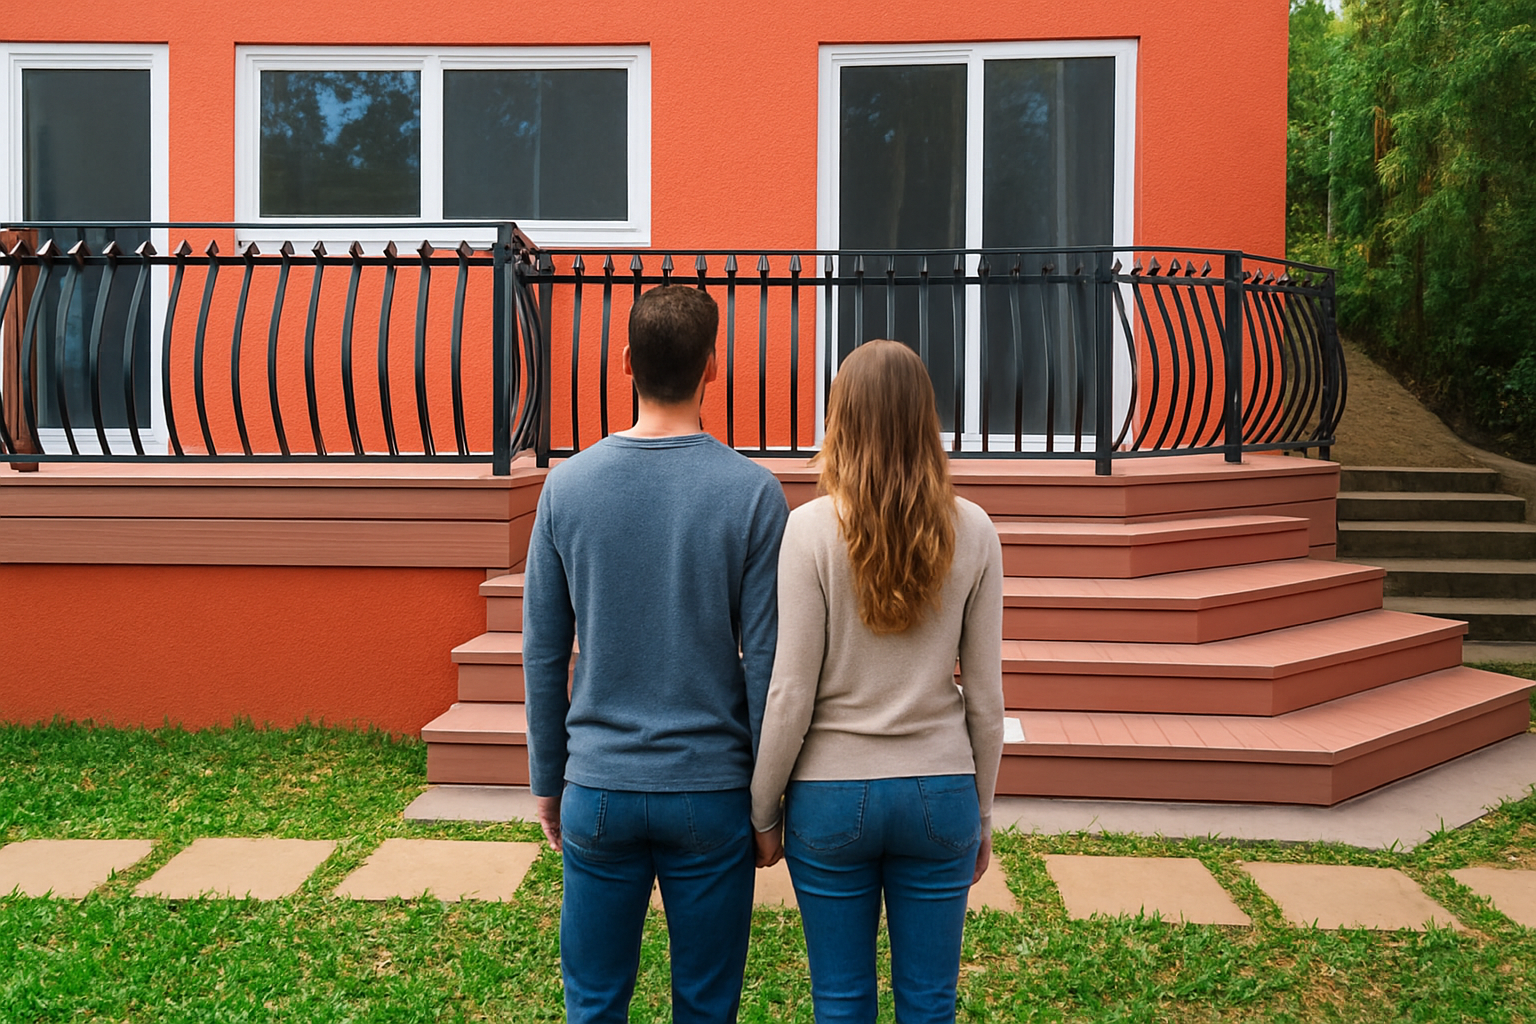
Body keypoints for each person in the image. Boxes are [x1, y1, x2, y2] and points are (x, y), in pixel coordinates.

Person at [522, 285, 789, 1024]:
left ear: (626, 362)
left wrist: (550, 780)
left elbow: (544, 652)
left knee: (596, 1002)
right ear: (713, 369)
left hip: (598, 786)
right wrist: (767, 806)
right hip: (710, 792)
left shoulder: (566, 487)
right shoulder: (755, 494)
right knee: (707, 1007)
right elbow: (768, 662)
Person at [750, 339, 1004, 1024]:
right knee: (929, 1004)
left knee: (840, 1001)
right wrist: (980, 812)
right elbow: (985, 700)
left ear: (841, 419)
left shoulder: (806, 531)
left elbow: (789, 693)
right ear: (927, 419)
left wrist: (762, 810)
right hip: (940, 792)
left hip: (829, 800)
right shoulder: (976, 530)